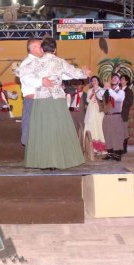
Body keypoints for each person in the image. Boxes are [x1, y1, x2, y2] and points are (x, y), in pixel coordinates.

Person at [18, 37, 90, 169]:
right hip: (57, 100)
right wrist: (84, 73)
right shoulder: (59, 62)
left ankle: (43, 161)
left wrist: (40, 79)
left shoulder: (36, 62)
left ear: (42, 49)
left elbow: (19, 72)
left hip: (41, 99)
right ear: (55, 50)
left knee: (42, 130)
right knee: (58, 129)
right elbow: (74, 73)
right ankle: (60, 160)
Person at [15, 38, 45, 145]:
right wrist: (42, 82)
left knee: (40, 130)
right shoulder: (27, 63)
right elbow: (25, 79)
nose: (42, 48)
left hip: (40, 100)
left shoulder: (41, 61)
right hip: (32, 100)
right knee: (31, 131)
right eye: (40, 46)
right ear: (32, 48)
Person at [102, 74, 126, 161]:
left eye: (116, 78)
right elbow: (100, 96)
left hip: (116, 116)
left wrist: (109, 89)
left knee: (117, 135)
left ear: (119, 81)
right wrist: (104, 89)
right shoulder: (107, 91)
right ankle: (110, 153)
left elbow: (118, 98)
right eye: (112, 78)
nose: (113, 79)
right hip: (107, 116)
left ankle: (118, 154)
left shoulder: (121, 92)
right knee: (107, 134)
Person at [83, 76, 106, 155]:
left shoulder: (102, 90)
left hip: (98, 111)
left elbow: (103, 100)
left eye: (95, 80)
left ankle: (101, 148)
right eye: (92, 81)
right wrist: (92, 94)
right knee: (91, 126)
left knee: (99, 127)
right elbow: (87, 100)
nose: (94, 82)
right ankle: (92, 147)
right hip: (90, 110)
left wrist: (97, 93)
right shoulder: (89, 90)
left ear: (98, 81)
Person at [120, 75, 134, 154]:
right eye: (121, 79)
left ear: (126, 81)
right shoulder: (117, 90)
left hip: (123, 113)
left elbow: (130, 102)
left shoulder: (129, 91)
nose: (121, 80)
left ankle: (124, 148)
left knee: (124, 131)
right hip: (115, 113)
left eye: (123, 79)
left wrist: (121, 99)